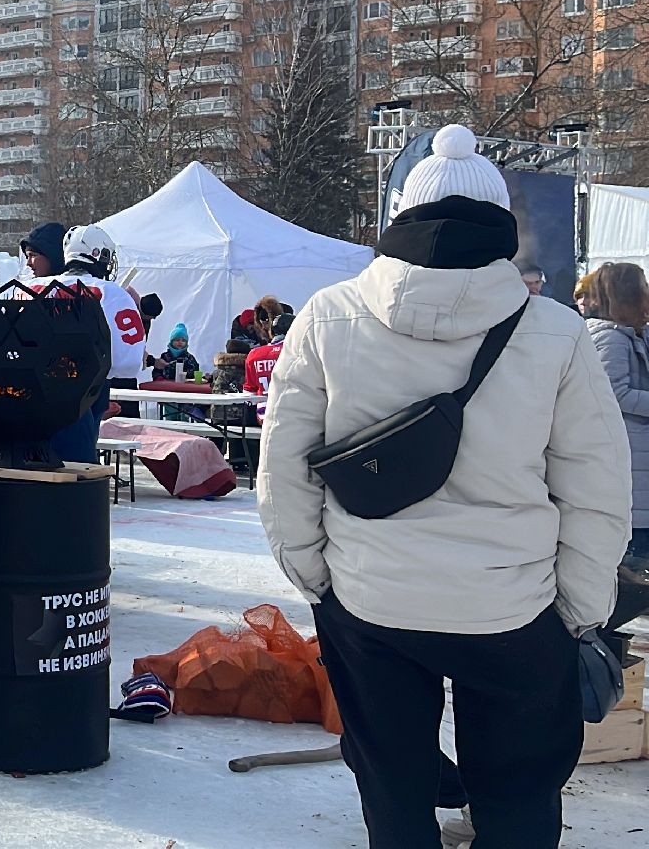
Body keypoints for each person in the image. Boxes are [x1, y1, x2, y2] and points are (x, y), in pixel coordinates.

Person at [257, 124, 630, 849]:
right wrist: (578, 610)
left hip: (369, 599)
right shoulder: (555, 332)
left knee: (392, 794)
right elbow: (595, 487)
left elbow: (284, 467)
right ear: (502, 228)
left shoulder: (327, 317)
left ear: (400, 220)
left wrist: (317, 577)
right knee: (519, 797)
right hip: (513, 606)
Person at [31, 225, 145, 464]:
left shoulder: (28, 288)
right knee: (77, 471)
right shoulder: (111, 293)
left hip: (26, 393)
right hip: (81, 393)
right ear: (97, 254)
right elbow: (129, 361)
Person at [580, 262, 649, 569]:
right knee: (635, 548)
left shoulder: (633, 333)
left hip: (638, 452)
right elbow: (614, 393)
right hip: (631, 453)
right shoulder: (610, 337)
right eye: (643, 287)